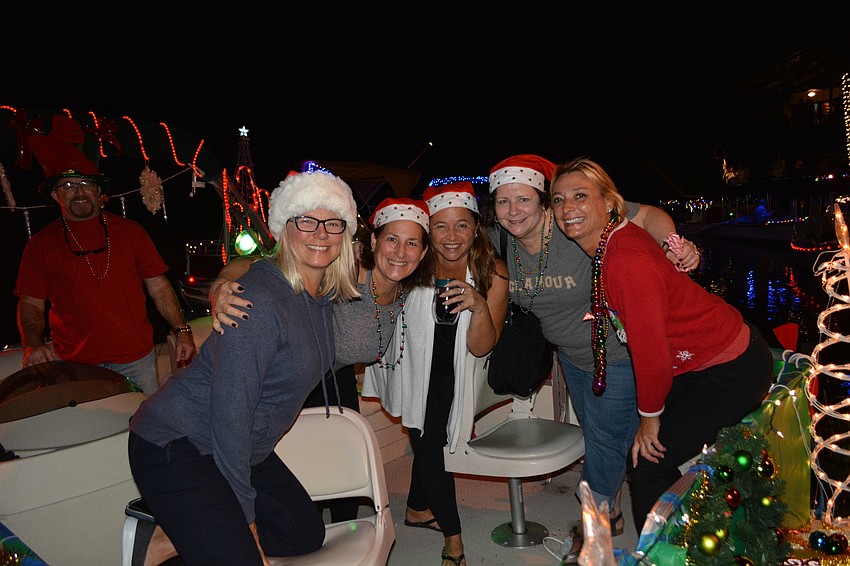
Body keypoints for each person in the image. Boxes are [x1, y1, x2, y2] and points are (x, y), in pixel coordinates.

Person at [127, 170, 361, 565]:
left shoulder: (321, 300)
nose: (320, 233)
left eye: (333, 223)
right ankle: (178, 531)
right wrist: (247, 521)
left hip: (242, 444)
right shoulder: (260, 300)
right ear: (284, 229)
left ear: (345, 234)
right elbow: (230, 416)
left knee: (303, 532)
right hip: (178, 442)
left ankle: (179, 534)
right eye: (306, 220)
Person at [480, 154, 699, 555]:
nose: (514, 211)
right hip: (570, 358)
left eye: (524, 200)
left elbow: (649, 216)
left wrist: (673, 248)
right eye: (503, 202)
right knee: (606, 439)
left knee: (603, 443)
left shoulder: (572, 224)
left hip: (614, 355)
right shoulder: (501, 240)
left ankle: (596, 530)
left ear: (544, 202)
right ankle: (611, 510)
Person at [550, 156, 773, 530]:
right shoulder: (612, 238)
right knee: (653, 455)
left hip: (732, 368)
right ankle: (689, 533)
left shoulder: (626, 261)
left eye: (579, 196)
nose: (567, 208)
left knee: (647, 463)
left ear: (608, 202)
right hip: (705, 360)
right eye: (558, 200)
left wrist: (649, 421)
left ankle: (660, 552)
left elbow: (650, 354)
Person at [208, 196, 432, 522]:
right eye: (392, 240)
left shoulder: (409, 292)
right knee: (300, 476)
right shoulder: (347, 271)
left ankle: (344, 540)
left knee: (346, 468)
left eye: (412, 243)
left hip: (334, 376)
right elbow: (260, 262)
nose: (400, 252)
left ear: (423, 252)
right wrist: (222, 287)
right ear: (374, 241)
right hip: (296, 374)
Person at [363, 181, 509, 566]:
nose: (451, 236)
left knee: (430, 443)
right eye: (440, 226)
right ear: (429, 231)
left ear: (476, 227)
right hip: (412, 373)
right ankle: (454, 543)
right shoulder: (412, 265)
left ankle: (415, 509)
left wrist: (478, 305)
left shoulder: (492, 272)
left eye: (462, 225)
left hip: (455, 374)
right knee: (430, 448)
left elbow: (482, 347)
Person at [14, 139, 195, 394]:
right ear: (56, 195)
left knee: (143, 427)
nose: (79, 191)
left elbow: (159, 287)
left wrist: (182, 330)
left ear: (98, 191)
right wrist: (32, 344)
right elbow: (31, 303)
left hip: (136, 360)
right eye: (68, 185)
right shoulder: (39, 245)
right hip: (75, 364)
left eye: (86, 183)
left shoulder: (131, 232)